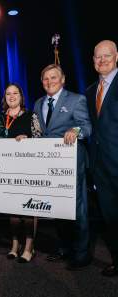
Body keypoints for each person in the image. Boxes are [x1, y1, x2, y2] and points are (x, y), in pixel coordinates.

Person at [34, 64, 92, 270]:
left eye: (54, 77)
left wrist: (74, 130)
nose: (49, 82)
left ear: (63, 79)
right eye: (45, 79)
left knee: (78, 208)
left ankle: (82, 253)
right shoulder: (38, 103)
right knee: (58, 207)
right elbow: (38, 132)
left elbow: (86, 126)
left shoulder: (77, 99)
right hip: (49, 165)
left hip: (72, 162)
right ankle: (64, 247)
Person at [0, 83, 41, 263]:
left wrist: (28, 141)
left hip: (28, 169)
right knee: (11, 209)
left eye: (15, 93)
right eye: (8, 94)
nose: (11, 96)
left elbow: (40, 140)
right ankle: (14, 244)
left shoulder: (31, 116)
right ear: (4, 98)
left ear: (21, 96)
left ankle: (29, 246)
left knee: (28, 208)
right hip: (7, 170)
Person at [86, 40, 118, 277]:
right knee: (110, 216)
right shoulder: (89, 91)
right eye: (98, 57)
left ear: (116, 56)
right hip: (100, 166)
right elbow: (88, 127)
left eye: (107, 55)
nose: (102, 60)